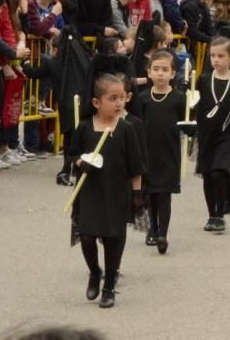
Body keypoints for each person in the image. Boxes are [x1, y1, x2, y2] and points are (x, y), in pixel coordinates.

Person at [68, 73, 144, 309]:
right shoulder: (84, 128)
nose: (119, 103)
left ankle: (109, 285)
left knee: (113, 240)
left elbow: (135, 166)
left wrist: (137, 194)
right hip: (90, 192)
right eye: (113, 98)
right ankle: (94, 272)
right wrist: (81, 163)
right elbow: (71, 154)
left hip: (116, 193)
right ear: (96, 103)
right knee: (87, 236)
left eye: (122, 97)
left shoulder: (126, 129)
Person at [194, 37, 230, 233]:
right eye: (213, 56)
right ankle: (212, 214)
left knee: (219, 171)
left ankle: (220, 212)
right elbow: (193, 104)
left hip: (227, 135)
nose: (215, 60)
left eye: (221, 56)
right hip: (206, 134)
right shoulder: (203, 80)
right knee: (208, 174)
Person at [136, 50, 185, 254]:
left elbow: (187, 120)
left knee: (164, 194)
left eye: (165, 70)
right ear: (149, 73)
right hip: (148, 152)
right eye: (156, 69)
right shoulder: (143, 98)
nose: (160, 74)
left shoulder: (179, 97)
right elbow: (136, 124)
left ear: (173, 74)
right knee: (151, 195)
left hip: (169, 152)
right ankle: (153, 229)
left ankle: (163, 233)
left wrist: (191, 127)